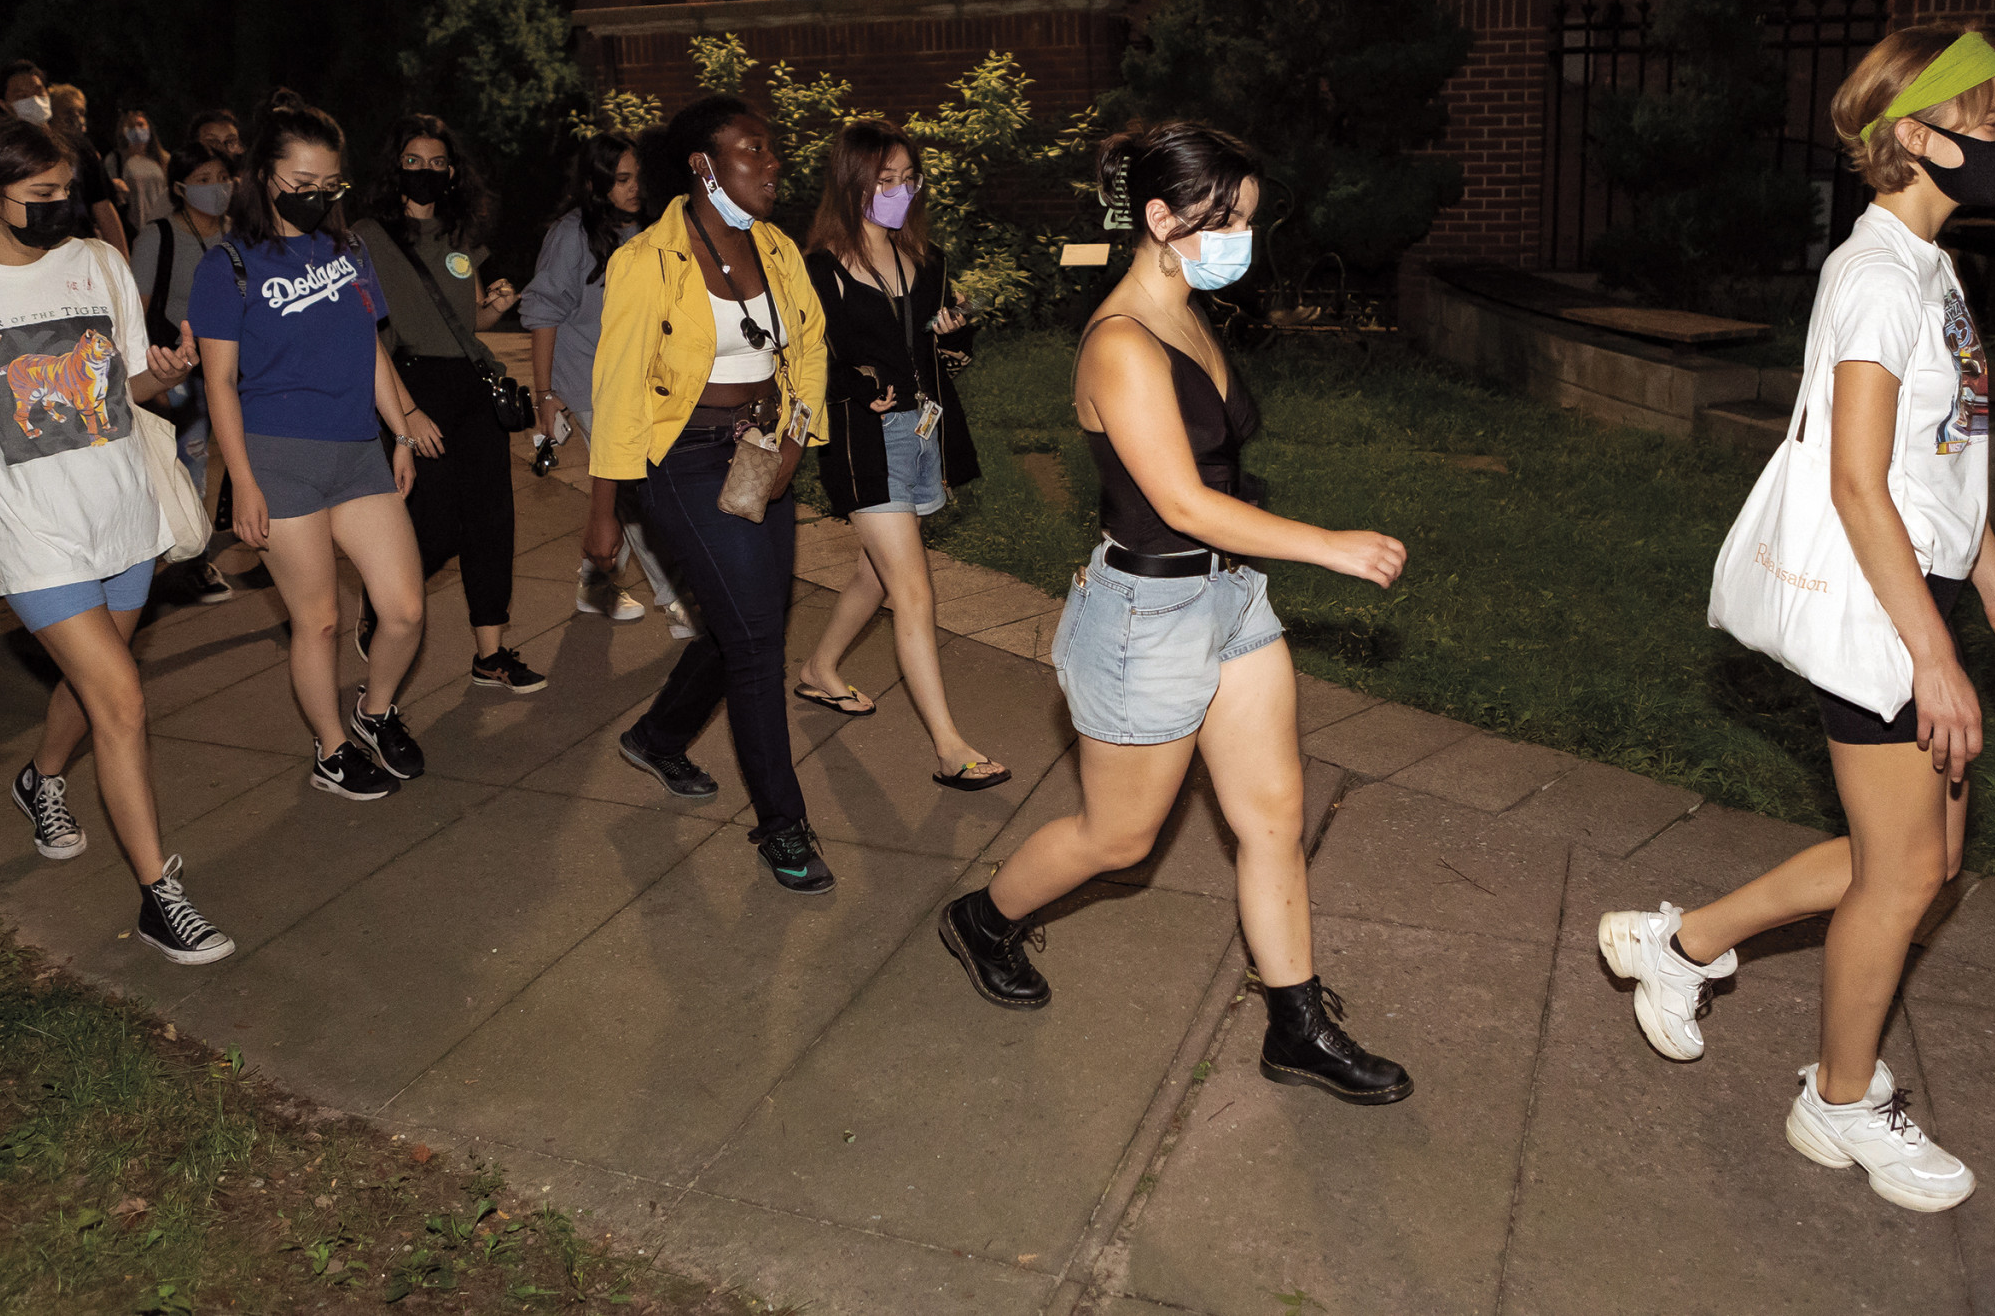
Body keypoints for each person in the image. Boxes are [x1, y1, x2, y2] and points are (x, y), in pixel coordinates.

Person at [1599, 29, 1995, 1213]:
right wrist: (1932, 656)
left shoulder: (1928, 265)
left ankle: (1684, 944)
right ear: (1915, 135)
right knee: (1907, 873)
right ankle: (1840, 1101)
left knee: (1920, 860)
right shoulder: (1873, 277)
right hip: (1878, 618)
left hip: (1910, 594)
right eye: (1994, 123)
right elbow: (1857, 483)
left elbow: (1935, 465)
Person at [940, 121, 1414, 1106]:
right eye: (1228, 218)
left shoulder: (1191, 310)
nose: (1244, 234)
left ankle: (1296, 1025)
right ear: (1161, 218)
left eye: (1246, 216)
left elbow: (1216, 479)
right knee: (1120, 841)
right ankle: (983, 919)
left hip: (1228, 598)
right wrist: (1329, 544)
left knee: (1273, 818)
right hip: (1143, 618)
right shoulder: (1119, 342)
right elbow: (1182, 501)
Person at [0, 114, 229, 962]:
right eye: (40, 195)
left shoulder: (98, 263)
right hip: (34, 537)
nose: (61, 206)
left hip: (125, 516)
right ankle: (157, 894)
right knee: (124, 699)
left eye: (66, 190)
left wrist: (165, 378)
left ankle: (41, 778)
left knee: (92, 686)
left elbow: (126, 384)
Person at [585, 96, 834, 894]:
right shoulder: (645, 262)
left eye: (771, 150)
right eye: (751, 151)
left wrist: (794, 441)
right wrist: (603, 510)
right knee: (759, 642)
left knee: (744, 623)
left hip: (764, 449)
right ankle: (782, 824)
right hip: (681, 460)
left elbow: (812, 348)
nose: (771, 165)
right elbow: (619, 389)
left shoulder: (778, 250)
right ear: (703, 165)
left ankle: (660, 734)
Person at [193, 93, 431, 801]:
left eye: (329, 186)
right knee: (319, 619)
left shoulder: (349, 248)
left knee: (405, 609)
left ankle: (375, 709)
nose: (316, 197)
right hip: (278, 459)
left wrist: (402, 429)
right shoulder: (227, 264)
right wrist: (243, 483)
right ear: (263, 174)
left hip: (357, 452)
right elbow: (220, 385)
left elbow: (372, 348)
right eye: (302, 185)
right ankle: (330, 749)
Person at [795, 119, 1003, 788]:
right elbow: (803, 363)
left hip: (922, 436)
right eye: (886, 179)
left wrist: (955, 335)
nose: (900, 190)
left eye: (908, 178)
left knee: (876, 573)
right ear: (852, 180)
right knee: (913, 588)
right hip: (864, 444)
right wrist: (860, 383)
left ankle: (818, 669)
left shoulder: (927, 260)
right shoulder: (820, 270)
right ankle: (949, 746)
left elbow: (945, 355)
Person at [349, 114, 542, 693]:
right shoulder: (366, 236)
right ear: (395, 168)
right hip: (409, 382)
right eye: (414, 162)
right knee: (432, 525)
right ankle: (382, 601)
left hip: (469, 382)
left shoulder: (461, 234)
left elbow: (468, 317)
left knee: (491, 519)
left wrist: (496, 306)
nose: (426, 173)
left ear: (452, 172)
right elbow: (368, 336)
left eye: (437, 163)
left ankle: (491, 652)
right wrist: (406, 413)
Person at [522, 130, 695, 637]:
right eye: (621, 180)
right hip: (593, 383)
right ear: (598, 185)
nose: (633, 188)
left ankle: (596, 585)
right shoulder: (572, 234)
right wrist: (545, 395)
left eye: (638, 177)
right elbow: (542, 314)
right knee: (633, 492)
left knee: (637, 489)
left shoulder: (657, 228)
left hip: (649, 383)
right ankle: (677, 599)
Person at [129, 146, 236, 606]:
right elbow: (137, 310)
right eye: (205, 178)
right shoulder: (159, 237)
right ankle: (191, 558)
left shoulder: (242, 234)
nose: (218, 188)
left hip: (236, 365)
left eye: (223, 177)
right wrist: (148, 377)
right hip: (180, 371)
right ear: (180, 188)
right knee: (188, 459)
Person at [0, 62, 124, 251]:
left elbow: (103, 207)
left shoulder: (76, 146)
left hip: (79, 253)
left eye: (39, 91)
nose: (34, 99)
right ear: (4, 105)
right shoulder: (0, 154)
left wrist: (122, 263)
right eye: (22, 95)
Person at [113, 108, 172, 233]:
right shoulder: (116, 160)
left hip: (161, 224)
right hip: (132, 227)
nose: (137, 129)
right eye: (132, 126)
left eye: (141, 125)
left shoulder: (163, 159)